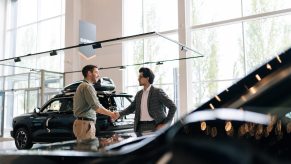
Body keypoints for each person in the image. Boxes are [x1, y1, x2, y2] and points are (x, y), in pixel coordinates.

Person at [115, 67, 177, 135]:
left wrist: (165, 124)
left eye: (140, 77)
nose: (138, 79)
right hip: (140, 127)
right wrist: (119, 114)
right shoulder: (139, 94)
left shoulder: (157, 92)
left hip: (155, 126)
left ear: (147, 78)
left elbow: (173, 107)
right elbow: (131, 108)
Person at [73, 65, 117, 142]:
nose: (98, 75)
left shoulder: (82, 86)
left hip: (84, 124)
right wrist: (112, 114)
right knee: (88, 150)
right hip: (85, 124)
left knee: (85, 149)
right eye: (96, 72)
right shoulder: (87, 87)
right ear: (89, 73)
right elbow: (97, 107)